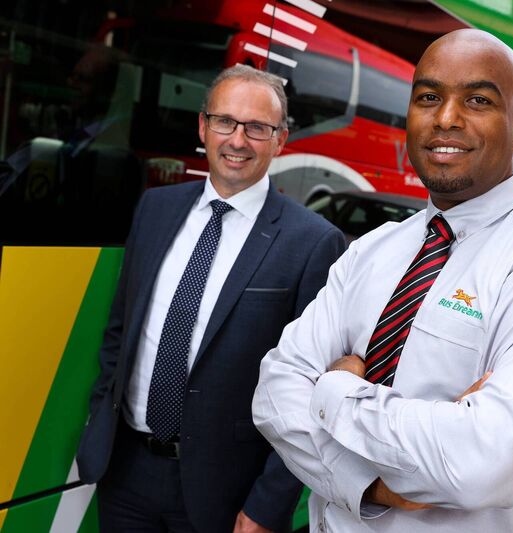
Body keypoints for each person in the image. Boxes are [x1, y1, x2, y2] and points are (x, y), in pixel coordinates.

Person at [252, 29, 513, 532]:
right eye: (429, 97)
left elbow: (479, 465)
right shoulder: (371, 251)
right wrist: (365, 485)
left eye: (478, 99)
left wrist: (334, 392)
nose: (445, 119)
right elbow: (274, 390)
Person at [76, 65, 346, 533]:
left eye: (257, 128)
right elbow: (120, 331)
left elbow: (313, 391)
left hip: (226, 491)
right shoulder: (155, 209)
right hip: (125, 473)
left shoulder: (313, 242)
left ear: (281, 140)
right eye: (225, 121)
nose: (237, 140)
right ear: (203, 126)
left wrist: (268, 504)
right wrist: (103, 415)